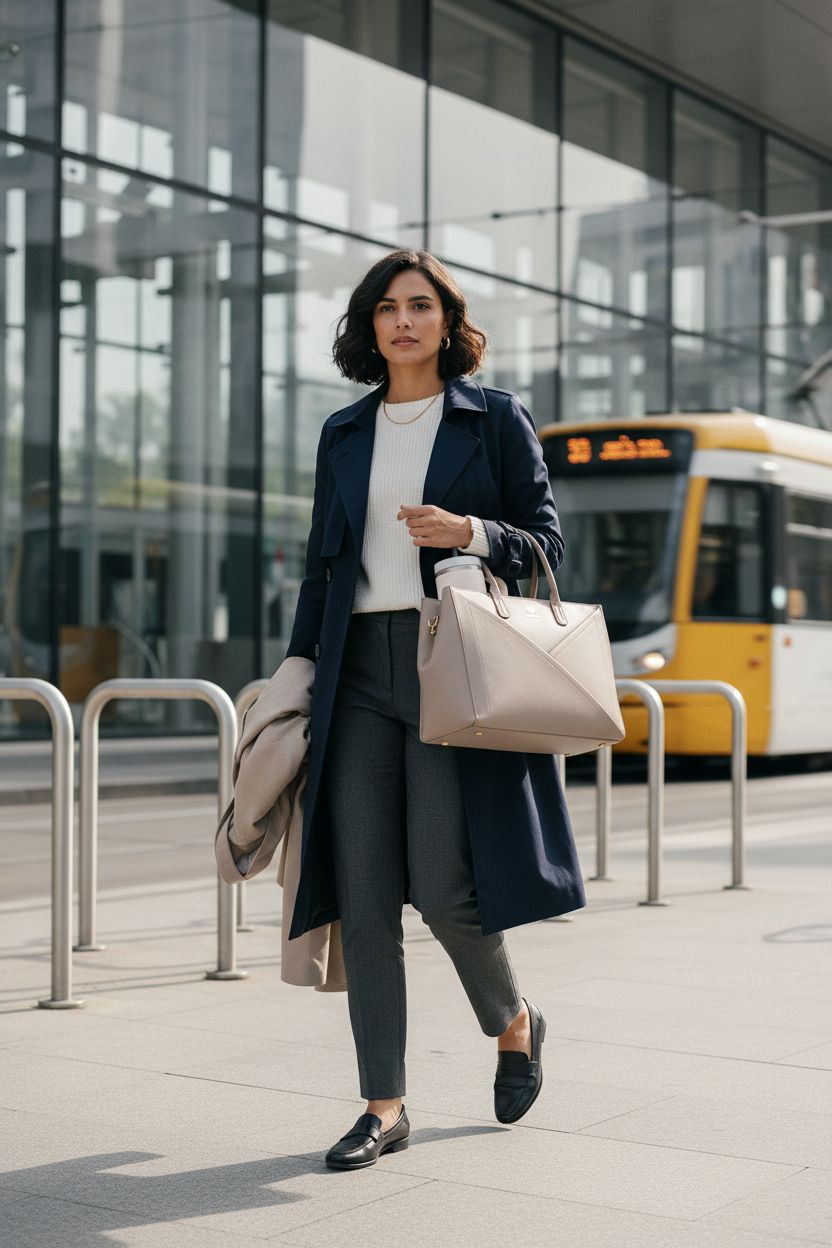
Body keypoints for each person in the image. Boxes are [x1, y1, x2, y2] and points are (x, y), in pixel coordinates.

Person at [285, 248, 583, 1170]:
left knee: (449, 891)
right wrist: (297, 672)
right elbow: (320, 566)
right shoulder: (344, 430)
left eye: (420, 306)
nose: (402, 321)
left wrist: (472, 532)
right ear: (368, 326)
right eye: (386, 308)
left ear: (448, 323)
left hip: (446, 661)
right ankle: (384, 1105)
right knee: (366, 898)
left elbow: (545, 540)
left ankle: (517, 1020)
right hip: (355, 673)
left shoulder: (493, 418)